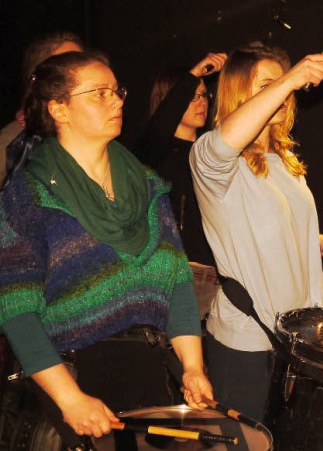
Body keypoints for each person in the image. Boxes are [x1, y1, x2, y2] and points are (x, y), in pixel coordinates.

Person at [0, 51, 212, 449]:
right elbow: (16, 309)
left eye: (117, 92)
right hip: (75, 383)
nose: (117, 101)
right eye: (99, 93)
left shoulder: (147, 186)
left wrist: (192, 366)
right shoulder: (28, 197)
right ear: (59, 109)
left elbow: (178, 281)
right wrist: (70, 399)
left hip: (146, 377)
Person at [190, 41, 323, 421]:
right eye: (268, 86)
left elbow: (269, 221)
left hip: (297, 341)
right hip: (248, 343)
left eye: (284, 86)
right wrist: (291, 78)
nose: (284, 93)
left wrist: (317, 243)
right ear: (239, 92)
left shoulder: (284, 160)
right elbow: (225, 143)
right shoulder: (212, 160)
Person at [135, 53, 226, 317]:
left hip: (219, 274)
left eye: (203, 95)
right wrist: (194, 73)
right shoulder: (153, 152)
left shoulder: (212, 149)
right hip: (178, 276)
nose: (201, 103)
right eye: (191, 95)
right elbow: (158, 130)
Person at [1, 31, 83, 183]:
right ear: (36, 82)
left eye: (82, 63)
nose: (82, 73)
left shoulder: (99, 132)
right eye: (66, 66)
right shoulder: (13, 144)